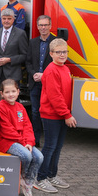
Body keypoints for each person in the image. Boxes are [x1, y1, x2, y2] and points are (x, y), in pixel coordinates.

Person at [34, 38, 76, 194]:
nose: (62, 55)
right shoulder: (51, 70)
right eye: (58, 52)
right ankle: (40, 178)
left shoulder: (65, 69)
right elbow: (55, 97)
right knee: (50, 147)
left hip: (61, 114)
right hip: (51, 115)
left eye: (65, 52)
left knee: (57, 147)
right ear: (51, 54)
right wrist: (67, 114)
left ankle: (52, 175)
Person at [0, 79, 43, 196]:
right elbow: (6, 130)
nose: (11, 94)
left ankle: (28, 182)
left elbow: (27, 127)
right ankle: (21, 177)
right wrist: (24, 143)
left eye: (13, 91)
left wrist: (29, 142)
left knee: (39, 157)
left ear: (18, 92)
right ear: (2, 93)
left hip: (22, 141)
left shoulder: (21, 107)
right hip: (5, 141)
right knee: (26, 155)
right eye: (7, 92)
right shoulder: (0, 107)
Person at [26, 15, 55, 146]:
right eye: (41, 25)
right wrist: (34, 74)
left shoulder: (56, 42)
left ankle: (50, 141)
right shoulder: (32, 42)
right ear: (37, 27)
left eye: (46, 25)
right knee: (35, 112)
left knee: (49, 113)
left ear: (50, 26)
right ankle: (35, 140)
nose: (43, 28)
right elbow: (28, 62)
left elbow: (60, 62)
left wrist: (44, 75)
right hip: (35, 83)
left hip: (50, 84)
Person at [0, 8, 28, 98]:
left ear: (13, 20)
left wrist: (9, 60)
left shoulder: (20, 33)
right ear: (1, 19)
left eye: (9, 18)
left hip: (13, 74)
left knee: (12, 103)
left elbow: (25, 55)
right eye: (4, 18)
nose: (6, 21)